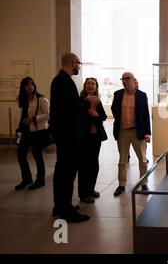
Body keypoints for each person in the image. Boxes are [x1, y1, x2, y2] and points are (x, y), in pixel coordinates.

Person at [50, 52, 90, 222]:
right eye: (78, 63)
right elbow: (73, 108)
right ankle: (66, 211)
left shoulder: (58, 80)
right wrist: (88, 102)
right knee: (67, 172)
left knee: (61, 171)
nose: (79, 67)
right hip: (68, 135)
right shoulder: (65, 82)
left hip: (62, 133)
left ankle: (60, 205)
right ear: (73, 62)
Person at [111, 72, 151, 196]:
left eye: (127, 78)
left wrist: (147, 133)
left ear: (134, 80)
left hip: (137, 131)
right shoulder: (118, 94)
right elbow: (114, 109)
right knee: (122, 160)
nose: (125, 81)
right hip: (122, 131)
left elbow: (146, 114)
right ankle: (121, 185)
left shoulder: (141, 95)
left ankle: (144, 183)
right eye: (123, 79)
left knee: (142, 159)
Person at [15, 77, 48, 190]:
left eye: (32, 84)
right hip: (24, 132)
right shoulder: (23, 100)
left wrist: (33, 118)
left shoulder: (42, 99)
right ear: (23, 87)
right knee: (20, 154)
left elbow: (48, 114)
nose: (30, 86)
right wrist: (18, 134)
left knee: (37, 155)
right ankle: (27, 179)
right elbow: (21, 117)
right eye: (27, 84)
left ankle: (40, 180)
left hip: (37, 132)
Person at [78, 78, 107, 203]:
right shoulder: (80, 101)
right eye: (88, 83)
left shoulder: (98, 100)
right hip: (84, 137)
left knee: (94, 164)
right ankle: (83, 194)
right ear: (85, 86)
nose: (91, 85)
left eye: (93, 84)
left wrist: (95, 115)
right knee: (84, 165)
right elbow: (79, 116)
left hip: (96, 137)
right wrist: (91, 113)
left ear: (96, 87)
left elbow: (104, 117)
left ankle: (91, 189)